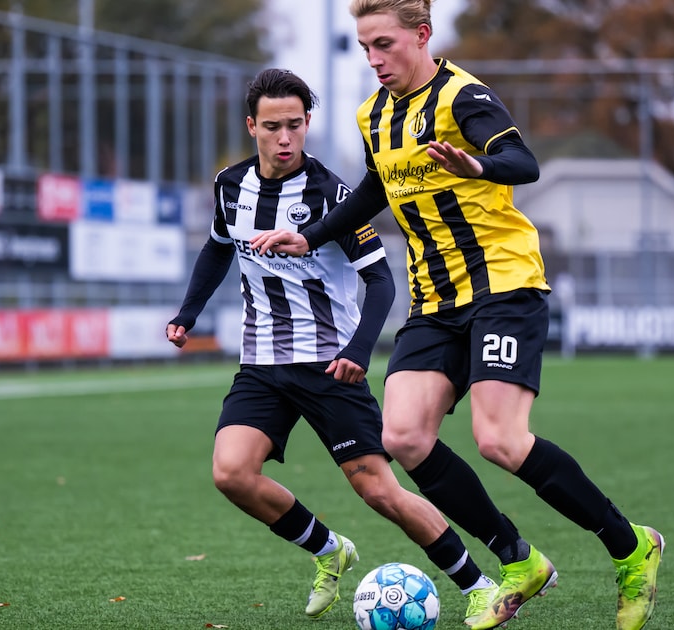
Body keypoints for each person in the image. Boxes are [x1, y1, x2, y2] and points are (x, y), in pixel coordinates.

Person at [249, 2, 664, 629]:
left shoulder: (463, 97)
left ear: (422, 36)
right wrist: (310, 238)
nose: (374, 60)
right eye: (364, 47)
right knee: (403, 436)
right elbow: (374, 191)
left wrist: (478, 165)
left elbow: (523, 162)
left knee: (499, 439)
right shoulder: (374, 115)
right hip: (435, 301)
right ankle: (518, 560)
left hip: (503, 285)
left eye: (384, 44)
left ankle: (631, 547)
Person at [166, 68, 500, 624]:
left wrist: (360, 352)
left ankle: (479, 583)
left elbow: (382, 280)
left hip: (329, 366)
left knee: (379, 491)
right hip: (262, 365)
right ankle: (330, 550)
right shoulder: (230, 186)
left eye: (295, 125)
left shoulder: (332, 195)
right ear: (252, 126)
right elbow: (217, 248)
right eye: (272, 127)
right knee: (230, 472)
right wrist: (188, 313)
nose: (285, 138)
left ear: (307, 124)